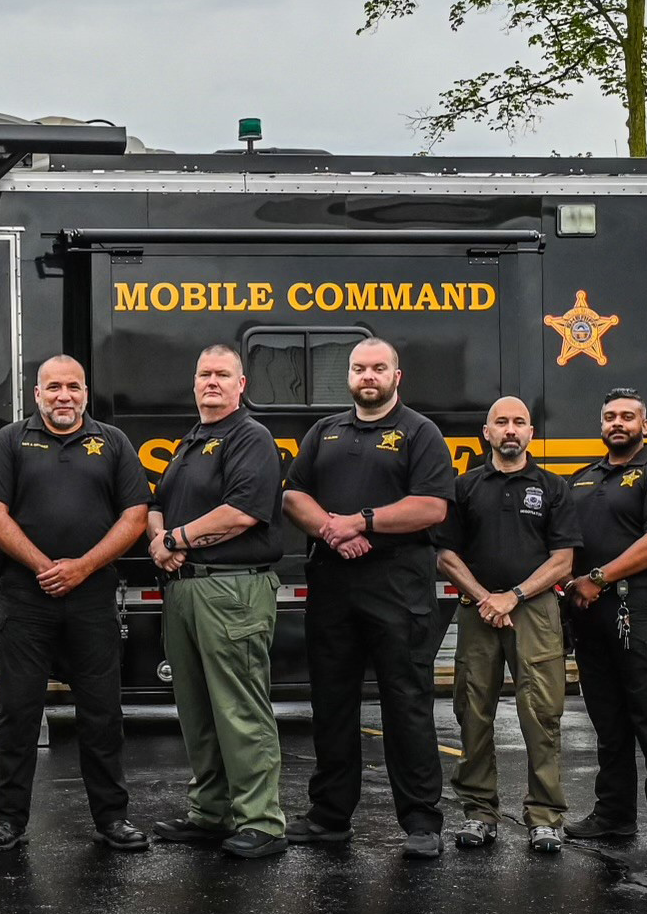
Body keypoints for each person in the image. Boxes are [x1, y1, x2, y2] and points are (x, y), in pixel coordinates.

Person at [282, 337, 456, 858]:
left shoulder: (419, 433)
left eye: (379, 368)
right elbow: (293, 494)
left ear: (396, 377)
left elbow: (432, 508)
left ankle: (422, 822)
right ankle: (329, 817)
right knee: (331, 705)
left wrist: (363, 521)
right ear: (350, 376)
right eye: (360, 368)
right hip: (333, 585)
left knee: (406, 704)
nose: (368, 377)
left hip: (397, 586)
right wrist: (332, 531)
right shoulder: (325, 431)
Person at [0, 354, 152, 853]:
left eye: (73, 387)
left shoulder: (113, 442)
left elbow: (135, 516)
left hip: (93, 598)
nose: (63, 396)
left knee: (102, 714)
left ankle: (113, 819)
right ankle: (8, 821)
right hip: (26, 599)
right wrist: (45, 567)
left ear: (86, 393)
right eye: (53, 388)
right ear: (37, 394)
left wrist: (82, 567)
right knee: (18, 712)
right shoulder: (10, 441)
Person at [147, 344, 288, 860]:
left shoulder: (250, 437)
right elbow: (157, 503)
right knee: (197, 709)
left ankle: (262, 821)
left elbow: (242, 513)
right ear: (194, 382)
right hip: (185, 589)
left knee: (240, 708)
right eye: (204, 373)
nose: (212, 382)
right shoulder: (191, 441)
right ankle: (211, 812)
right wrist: (158, 539)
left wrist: (175, 539)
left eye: (222, 374)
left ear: (241, 384)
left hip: (234, 591)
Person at [433, 396, 580, 855]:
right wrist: (486, 598)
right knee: (472, 711)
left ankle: (545, 817)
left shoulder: (553, 487)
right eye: (502, 422)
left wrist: (512, 596)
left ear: (531, 433)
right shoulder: (465, 487)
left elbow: (563, 560)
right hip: (478, 610)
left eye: (519, 422)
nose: (511, 429)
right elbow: (445, 555)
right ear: (487, 433)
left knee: (541, 712)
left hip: (534, 611)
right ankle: (479, 814)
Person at [562, 388, 647, 853]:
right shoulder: (582, 478)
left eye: (627, 417)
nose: (618, 423)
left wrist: (598, 576)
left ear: (644, 426)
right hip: (590, 615)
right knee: (607, 720)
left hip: (639, 610)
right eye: (610, 417)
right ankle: (614, 815)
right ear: (602, 425)